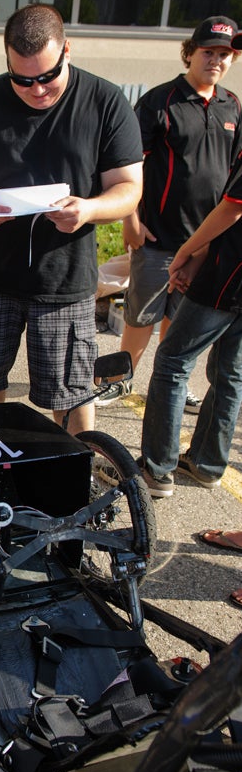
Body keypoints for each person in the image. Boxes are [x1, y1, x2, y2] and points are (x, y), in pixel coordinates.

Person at [0, 4, 142, 435]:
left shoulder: (104, 101)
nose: (36, 90)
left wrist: (88, 209)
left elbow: (128, 187)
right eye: (22, 79)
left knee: (71, 395)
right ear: (7, 62)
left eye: (47, 77)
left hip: (64, 281)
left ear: (67, 50)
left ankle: (77, 479)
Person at [97, 15, 241, 409]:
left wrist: (211, 243)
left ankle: (170, 383)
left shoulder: (233, 105)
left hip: (204, 244)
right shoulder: (161, 102)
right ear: (189, 53)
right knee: (141, 316)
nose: (215, 60)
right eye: (208, 51)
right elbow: (129, 165)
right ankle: (119, 380)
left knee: (178, 323)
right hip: (159, 237)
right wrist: (131, 221)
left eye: (224, 54)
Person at [139, 82, 242, 502]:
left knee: (173, 359)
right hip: (228, 263)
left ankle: (157, 468)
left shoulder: (232, 105)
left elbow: (234, 205)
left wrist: (189, 249)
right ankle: (206, 463)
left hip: (231, 273)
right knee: (230, 369)